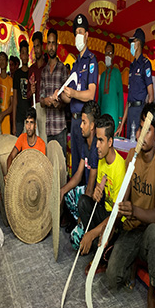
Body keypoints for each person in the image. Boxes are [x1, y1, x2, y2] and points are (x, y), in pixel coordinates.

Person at [106, 103, 155, 308]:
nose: (142, 134)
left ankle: (151, 295)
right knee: (111, 280)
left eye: (148, 130)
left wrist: (133, 209)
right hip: (131, 229)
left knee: (154, 233)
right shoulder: (132, 155)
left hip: (147, 229)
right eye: (140, 128)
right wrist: (114, 219)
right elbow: (124, 197)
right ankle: (131, 263)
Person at [78, 114, 126, 276]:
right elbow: (99, 195)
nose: (97, 145)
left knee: (102, 234)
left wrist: (91, 233)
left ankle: (103, 254)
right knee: (84, 201)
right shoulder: (101, 159)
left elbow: (117, 214)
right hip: (106, 213)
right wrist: (98, 194)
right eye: (96, 140)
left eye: (101, 140)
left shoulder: (119, 167)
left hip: (116, 222)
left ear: (110, 142)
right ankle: (98, 248)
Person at [59, 14, 98, 177]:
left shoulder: (91, 61)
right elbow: (69, 98)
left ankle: (85, 199)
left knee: (87, 165)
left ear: (87, 35)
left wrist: (73, 93)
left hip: (86, 122)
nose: (78, 36)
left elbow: (91, 94)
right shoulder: (75, 65)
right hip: (74, 121)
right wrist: (61, 94)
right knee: (75, 164)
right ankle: (75, 198)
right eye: (76, 33)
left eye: (81, 32)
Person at [61, 101, 100, 245]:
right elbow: (78, 174)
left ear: (92, 125)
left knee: (74, 241)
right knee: (68, 194)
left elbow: (90, 188)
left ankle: (88, 226)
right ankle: (83, 224)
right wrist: (62, 190)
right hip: (87, 194)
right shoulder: (85, 144)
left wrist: (82, 212)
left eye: (84, 122)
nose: (80, 125)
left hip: (95, 199)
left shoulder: (96, 147)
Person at [116, 28, 153, 139]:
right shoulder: (131, 67)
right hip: (131, 111)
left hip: (140, 110)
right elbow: (129, 100)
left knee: (138, 145)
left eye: (133, 42)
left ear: (138, 43)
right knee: (128, 145)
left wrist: (145, 122)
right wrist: (121, 125)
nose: (131, 45)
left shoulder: (145, 64)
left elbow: (151, 95)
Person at [40, 28, 68, 157]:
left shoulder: (62, 69)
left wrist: (59, 104)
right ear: (47, 46)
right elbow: (40, 100)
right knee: (50, 165)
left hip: (60, 127)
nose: (51, 47)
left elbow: (68, 99)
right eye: (49, 43)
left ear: (57, 45)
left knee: (61, 167)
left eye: (53, 43)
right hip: (49, 128)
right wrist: (45, 101)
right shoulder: (44, 71)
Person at [6, 108, 46, 175]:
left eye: (31, 123)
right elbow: (11, 156)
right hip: (22, 173)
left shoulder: (41, 144)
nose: (29, 126)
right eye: (27, 122)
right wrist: (9, 174)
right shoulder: (22, 137)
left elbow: (42, 167)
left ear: (35, 125)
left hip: (35, 175)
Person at [97, 42, 123, 127]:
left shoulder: (117, 73)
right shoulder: (103, 75)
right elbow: (100, 98)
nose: (107, 56)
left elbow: (120, 96)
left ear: (113, 55)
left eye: (110, 53)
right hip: (102, 115)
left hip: (114, 116)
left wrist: (120, 119)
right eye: (106, 53)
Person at [12, 40, 31, 136]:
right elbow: (15, 99)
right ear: (20, 55)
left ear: (28, 56)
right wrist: (14, 124)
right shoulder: (17, 74)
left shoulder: (31, 72)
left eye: (26, 53)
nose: (24, 56)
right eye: (22, 53)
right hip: (19, 117)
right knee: (18, 145)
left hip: (29, 117)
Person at [0, 52, 13, 135]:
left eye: (4, 59)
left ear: (7, 63)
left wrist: (3, 114)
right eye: (0, 60)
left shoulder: (10, 80)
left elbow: (12, 105)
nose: (2, 62)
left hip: (6, 119)